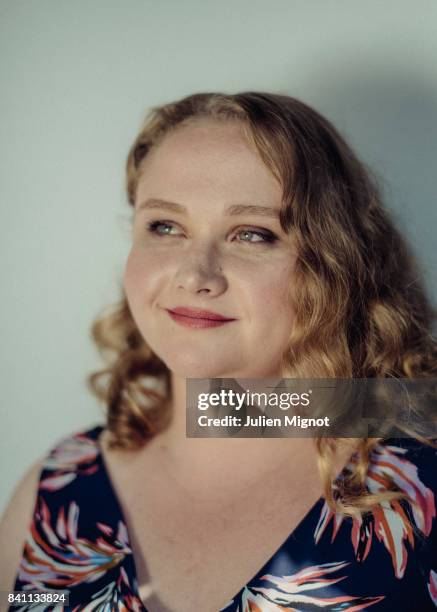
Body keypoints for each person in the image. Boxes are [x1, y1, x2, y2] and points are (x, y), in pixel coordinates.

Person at [1, 92, 436, 611]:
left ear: (335, 262)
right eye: (165, 226)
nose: (194, 275)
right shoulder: (51, 491)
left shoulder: (421, 481)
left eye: (252, 234)